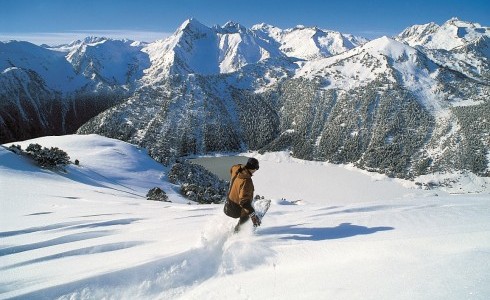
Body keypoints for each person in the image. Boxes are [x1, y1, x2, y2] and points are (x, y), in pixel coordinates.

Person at [228, 157, 261, 232]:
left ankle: (236, 230)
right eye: (256, 169)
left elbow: (232, 168)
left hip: (228, 203)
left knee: (248, 208)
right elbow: (244, 202)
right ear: (253, 169)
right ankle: (237, 232)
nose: (255, 171)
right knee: (246, 215)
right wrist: (253, 215)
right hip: (235, 209)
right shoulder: (246, 181)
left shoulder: (237, 169)